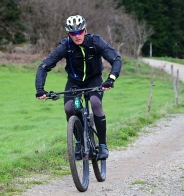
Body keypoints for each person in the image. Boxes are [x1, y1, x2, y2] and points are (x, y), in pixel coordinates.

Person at [35, 15, 122, 160]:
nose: (77, 36)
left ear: (85, 30)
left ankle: (102, 145)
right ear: (69, 34)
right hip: (74, 82)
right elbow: (44, 66)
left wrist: (111, 79)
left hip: (94, 80)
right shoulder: (65, 46)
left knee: (95, 103)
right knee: (69, 108)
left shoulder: (95, 41)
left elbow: (115, 59)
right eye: (73, 33)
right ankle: (78, 141)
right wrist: (40, 89)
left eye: (80, 32)